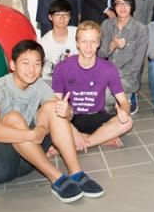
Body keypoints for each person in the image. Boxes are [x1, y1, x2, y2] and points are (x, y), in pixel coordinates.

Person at [0, 39, 97, 202]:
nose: (32, 70)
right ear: (12, 65)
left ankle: (76, 174)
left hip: (27, 160)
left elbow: (58, 114)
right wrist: (32, 135)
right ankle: (56, 178)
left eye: (37, 64)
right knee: (13, 117)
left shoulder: (39, 85)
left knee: (54, 107)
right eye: (25, 63)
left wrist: (68, 112)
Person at [52, 21, 134, 153]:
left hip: (96, 116)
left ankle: (83, 142)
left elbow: (124, 102)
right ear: (77, 43)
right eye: (84, 42)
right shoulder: (62, 68)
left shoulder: (108, 68)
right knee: (52, 120)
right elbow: (54, 103)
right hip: (70, 117)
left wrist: (124, 111)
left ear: (99, 43)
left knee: (127, 122)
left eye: (93, 41)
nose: (89, 47)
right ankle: (100, 138)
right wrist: (71, 127)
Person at [98, 0, 149, 115]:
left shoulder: (141, 29)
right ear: (114, 7)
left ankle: (128, 95)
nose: (122, 7)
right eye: (118, 3)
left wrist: (112, 77)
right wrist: (112, 45)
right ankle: (120, 99)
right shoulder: (106, 25)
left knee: (100, 97)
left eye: (126, 3)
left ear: (132, 6)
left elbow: (136, 65)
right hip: (106, 76)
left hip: (128, 77)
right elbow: (100, 54)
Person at [38, 0, 77, 79]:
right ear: (50, 17)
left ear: (70, 17)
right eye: (58, 14)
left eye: (66, 14)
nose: (62, 18)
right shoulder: (43, 43)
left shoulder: (79, 33)